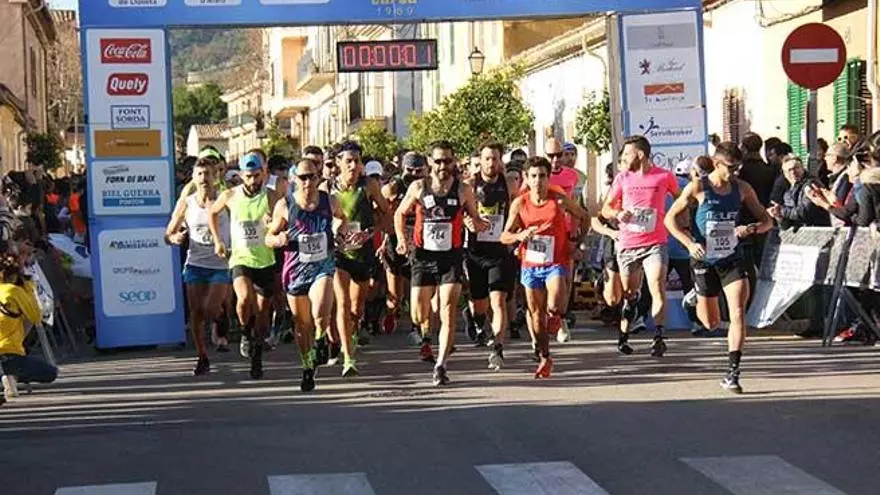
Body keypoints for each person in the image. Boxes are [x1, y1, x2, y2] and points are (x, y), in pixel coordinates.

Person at [665, 143, 773, 393]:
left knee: (738, 312)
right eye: (731, 168)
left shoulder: (742, 188)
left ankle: (733, 373)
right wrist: (689, 244)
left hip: (732, 258)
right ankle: (695, 297)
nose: (735, 172)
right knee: (710, 323)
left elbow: (767, 221)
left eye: (738, 167)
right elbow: (669, 219)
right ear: (717, 164)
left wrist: (751, 229)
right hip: (704, 259)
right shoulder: (698, 187)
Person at [395, 140, 488, 386]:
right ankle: (424, 334)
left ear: (454, 161)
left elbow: (474, 218)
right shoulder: (418, 187)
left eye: (447, 160)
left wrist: (477, 224)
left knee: (447, 309)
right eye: (438, 161)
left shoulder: (463, 189)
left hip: (451, 256)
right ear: (430, 162)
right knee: (418, 312)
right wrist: (402, 240)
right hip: (423, 256)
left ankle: (441, 365)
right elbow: (399, 213)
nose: (443, 166)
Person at [500, 157, 589, 378]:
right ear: (526, 178)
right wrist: (520, 235)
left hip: (555, 261)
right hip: (530, 264)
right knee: (536, 316)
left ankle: (556, 316)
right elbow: (504, 236)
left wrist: (575, 242)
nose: (538, 181)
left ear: (548, 178)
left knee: (555, 304)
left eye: (542, 176)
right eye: (533, 176)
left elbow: (584, 216)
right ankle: (544, 356)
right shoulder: (520, 203)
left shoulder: (558, 199)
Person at [266, 159, 349, 391]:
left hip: (322, 266)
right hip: (295, 270)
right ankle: (307, 366)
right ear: (295, 179)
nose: (307, 182)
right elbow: (268, 237)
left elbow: (343, 218)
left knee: (321, 311)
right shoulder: (285, 205)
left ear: (318, 177)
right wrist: (278, 239)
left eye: (312, 176)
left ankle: (321, 340)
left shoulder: (329, 201)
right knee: (302, 324)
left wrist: (340, 233)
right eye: (303, 177)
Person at [601, 135, 680, 357]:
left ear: (640, 154)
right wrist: (618, 213)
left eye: (627, 154)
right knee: (629, 293)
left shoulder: (664, 176)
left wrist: (677, 217)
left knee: (657, 285)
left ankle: (658, 337)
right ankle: (624, 333)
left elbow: (681, 198)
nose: (624, 158)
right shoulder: (622, 178)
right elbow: (605, 209)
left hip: (655, 242)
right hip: (629, 244)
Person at [209, 152, 279, 380]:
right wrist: (218, 241)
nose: (253, 181)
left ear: (263, 173)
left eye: (257, 176)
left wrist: (274, 224)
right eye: (248, 176)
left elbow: (283, 219)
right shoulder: (230, 195)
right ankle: (244, 332)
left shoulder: (271, 196)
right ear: (241, 175)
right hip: (240, 258)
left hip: (265, 260)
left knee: (262, 313)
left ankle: (257, 355)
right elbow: (212, 213)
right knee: (244, 298)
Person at [164, 158, 232, 374]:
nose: (204, 178)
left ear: (215, 177)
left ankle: (221, 316)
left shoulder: (225, 199)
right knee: (196, 312)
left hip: (220, 263)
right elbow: (168, 233)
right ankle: (202, 356)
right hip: (195, 262)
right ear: (193, 178)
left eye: (208, 174)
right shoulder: (187, 202)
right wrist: (174, 238)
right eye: (200, 174)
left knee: (210, 308)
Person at [330, 141, 391, 377]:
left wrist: (373, 233)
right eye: (348, 161)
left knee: (356, 308)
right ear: (338, 163)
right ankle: (348, 358)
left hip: (362, 253)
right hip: (338, 253)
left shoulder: (369, 185)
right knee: (343, 303)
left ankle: (352, 332)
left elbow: (385, 214)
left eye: (357, 161)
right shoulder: (327, 188)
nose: (353, 166)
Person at [463, 140, 518, 370]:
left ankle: (497, 347)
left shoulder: (509, 184)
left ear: (500, 160)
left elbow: (518, 210)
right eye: (487, 159)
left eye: (495, 158)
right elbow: (458, 213)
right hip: (475, 252)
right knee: (480, 303)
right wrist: (467, 221)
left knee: (498, 300)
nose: (491, 163)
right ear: (481, 160)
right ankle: (476, 319)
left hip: (499, 251)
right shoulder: (469, 185)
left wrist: (516, 235)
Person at [0, 250, 57, 404]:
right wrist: (29, 286)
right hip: (9, 351)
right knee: (50, 373)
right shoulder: (13, 291)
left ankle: (5, 377)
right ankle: (10, 375)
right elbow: (36, 317)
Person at [380, 152, 427, 335]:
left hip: (419, 240)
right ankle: (392, 312)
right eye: (410, 170)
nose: (414, 174)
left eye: (418, 170)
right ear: (402, 169)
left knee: (415, 286)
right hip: (395, 240)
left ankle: (417, 324)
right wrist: (383, 240)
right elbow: (382, 214)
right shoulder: (392, 187)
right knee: (394, 293)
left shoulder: (429, 186)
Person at [767, 155, 831, 230]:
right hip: (803, 234)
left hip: (818, 231)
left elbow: (805, 213)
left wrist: (781, 211)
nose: (793, 172)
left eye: (796, 168)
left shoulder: (812, 184)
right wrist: (778, 216)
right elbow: (786, 226)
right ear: (784, 174)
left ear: (803, 168)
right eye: (789, 170)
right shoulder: (788, 193)